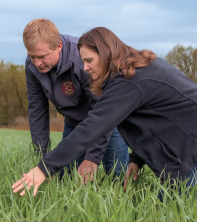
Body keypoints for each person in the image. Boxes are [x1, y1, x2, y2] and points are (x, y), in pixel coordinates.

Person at [13, 26, 197, 198]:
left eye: (89, 60)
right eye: (82, 61)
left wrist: (44, 168)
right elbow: (153, 119)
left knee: (172, 207)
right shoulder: (131, 71)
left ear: (107, 54)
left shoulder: (128, 82)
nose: (85, 67)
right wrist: (136, 159)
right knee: (194, 209)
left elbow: (92, 128)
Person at [22, 18, 129, 182]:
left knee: (117, 173)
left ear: (59, 46)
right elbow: (37, 111)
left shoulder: (83, 60)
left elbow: (104, 110)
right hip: (74, 121)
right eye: (32, 56)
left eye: (42, 56)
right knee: (67, 177)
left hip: (108, 120)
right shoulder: (32, 65)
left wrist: (91, 159)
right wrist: (42, 160)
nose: (36, 63)